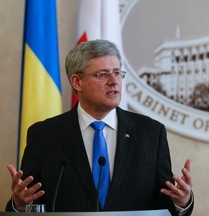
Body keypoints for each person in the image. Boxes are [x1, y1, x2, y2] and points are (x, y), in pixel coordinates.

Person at [6, 39, 194, 215]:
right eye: (102, 74)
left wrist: (182, 201)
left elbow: (163, 205)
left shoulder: (151, 132)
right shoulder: (44, 135)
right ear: (77, 82)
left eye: (118, 73)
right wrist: (19, 204)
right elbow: (30, 199)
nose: (114, 81)